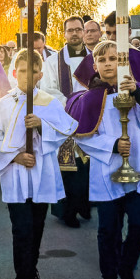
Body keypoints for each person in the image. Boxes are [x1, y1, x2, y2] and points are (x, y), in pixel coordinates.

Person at [69, 40, 140, 279]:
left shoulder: (136, 90)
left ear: (122, 62)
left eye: (114, 59)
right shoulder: (89, 98)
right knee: (108, 230)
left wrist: (137, 94)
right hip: (106, 171)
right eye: (102, 60)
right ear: (95, 66)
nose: (108, 64)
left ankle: (127, 269)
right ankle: (109, 278)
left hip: (135, 168)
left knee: (139, 225)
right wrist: (112, 145)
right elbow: (81, 136)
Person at [0, 49, 78, 279]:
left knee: (36, 229)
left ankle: (31, 268)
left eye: (33, 71)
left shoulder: (49, 102)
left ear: (40, 74)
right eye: (22, 70)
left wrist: (41, 125)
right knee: (22, 230)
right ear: (15, 73)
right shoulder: (4, 104)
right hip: (16, 175)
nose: (27, 75)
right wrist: (15, 157)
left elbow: (66, 133)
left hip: (41, 176)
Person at [38, 16, 92, 228]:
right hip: (65, 119)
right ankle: (68, 212)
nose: (75, 34)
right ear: (64, 34)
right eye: (70, 30)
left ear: (84, 32)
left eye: (79, 30)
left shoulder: (95, 58)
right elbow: (48, 90)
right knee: (68, 168)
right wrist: (74, 104)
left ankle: (85, 205)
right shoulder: (53, 62)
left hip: (91, 120)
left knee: (88, 165)